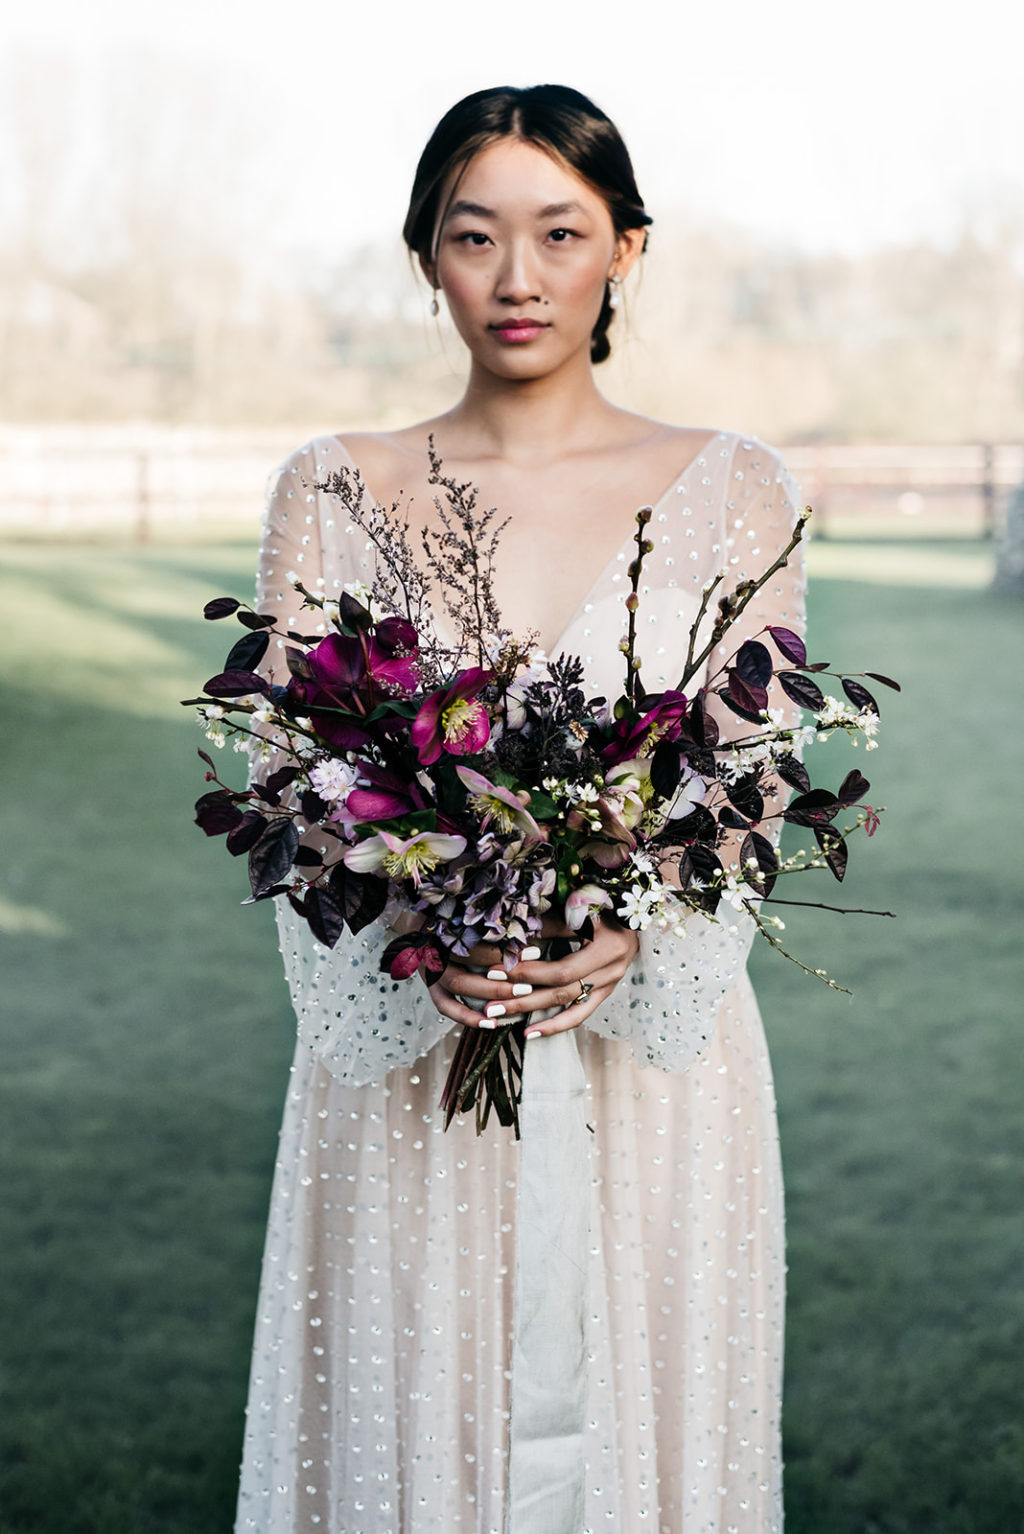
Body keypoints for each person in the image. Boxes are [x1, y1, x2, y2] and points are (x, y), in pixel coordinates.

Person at [235, 84, 806, 1534]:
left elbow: (756, 785)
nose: (518, 275)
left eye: (561, 231)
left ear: (626, 250)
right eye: (474, 234)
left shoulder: (737, 488)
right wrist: (419, 917)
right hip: (420, 1078)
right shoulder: (331, 487)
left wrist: (638, 936)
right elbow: (285, 794)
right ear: (426, 255)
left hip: (655, 1091)